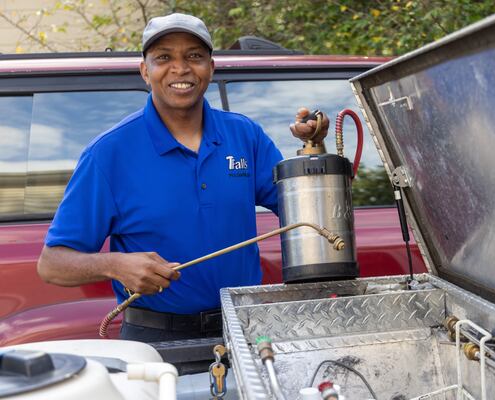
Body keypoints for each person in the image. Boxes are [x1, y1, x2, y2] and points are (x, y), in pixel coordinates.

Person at [37, 13, 328, 342]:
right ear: (145, 71)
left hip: (247, 330)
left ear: (211, 67)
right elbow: (52, 264)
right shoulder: (108, 153)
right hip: (158, 338)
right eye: (164, 57)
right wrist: (115, 264)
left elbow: (307, 211)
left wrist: (313, 148)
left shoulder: (245, 135)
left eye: (194, 56)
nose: (181, 68)